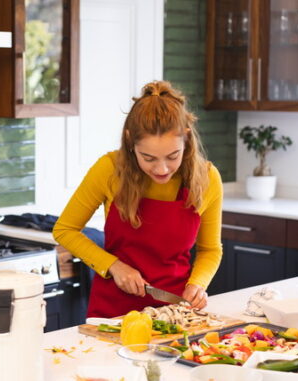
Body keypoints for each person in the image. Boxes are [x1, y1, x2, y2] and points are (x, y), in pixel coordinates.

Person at [52, 80, 223, 318]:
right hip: (113, 314)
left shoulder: (207, 178)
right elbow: (65, 230)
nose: (162, 169)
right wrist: (113, 266)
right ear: (130, 140)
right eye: (149, 158)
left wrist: (198, 284)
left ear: (186, 139)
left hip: (174, 311)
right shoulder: (109, 170)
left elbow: (210, 249)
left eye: (173, 156)